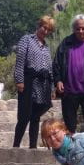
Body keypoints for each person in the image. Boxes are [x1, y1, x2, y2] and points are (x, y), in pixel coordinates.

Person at [12, 15, 56, 148]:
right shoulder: (27, 40)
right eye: (44, 27)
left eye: (49, 30)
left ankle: (32, 147)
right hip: (28, 81)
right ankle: (15, 146)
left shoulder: (47, 47)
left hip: (42, 86)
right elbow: (19, 62)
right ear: (39, 25)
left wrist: (52, 87)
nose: (46, 31)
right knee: (24, 116)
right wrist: (19, 80)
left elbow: (49, 68)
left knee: (35, 117)